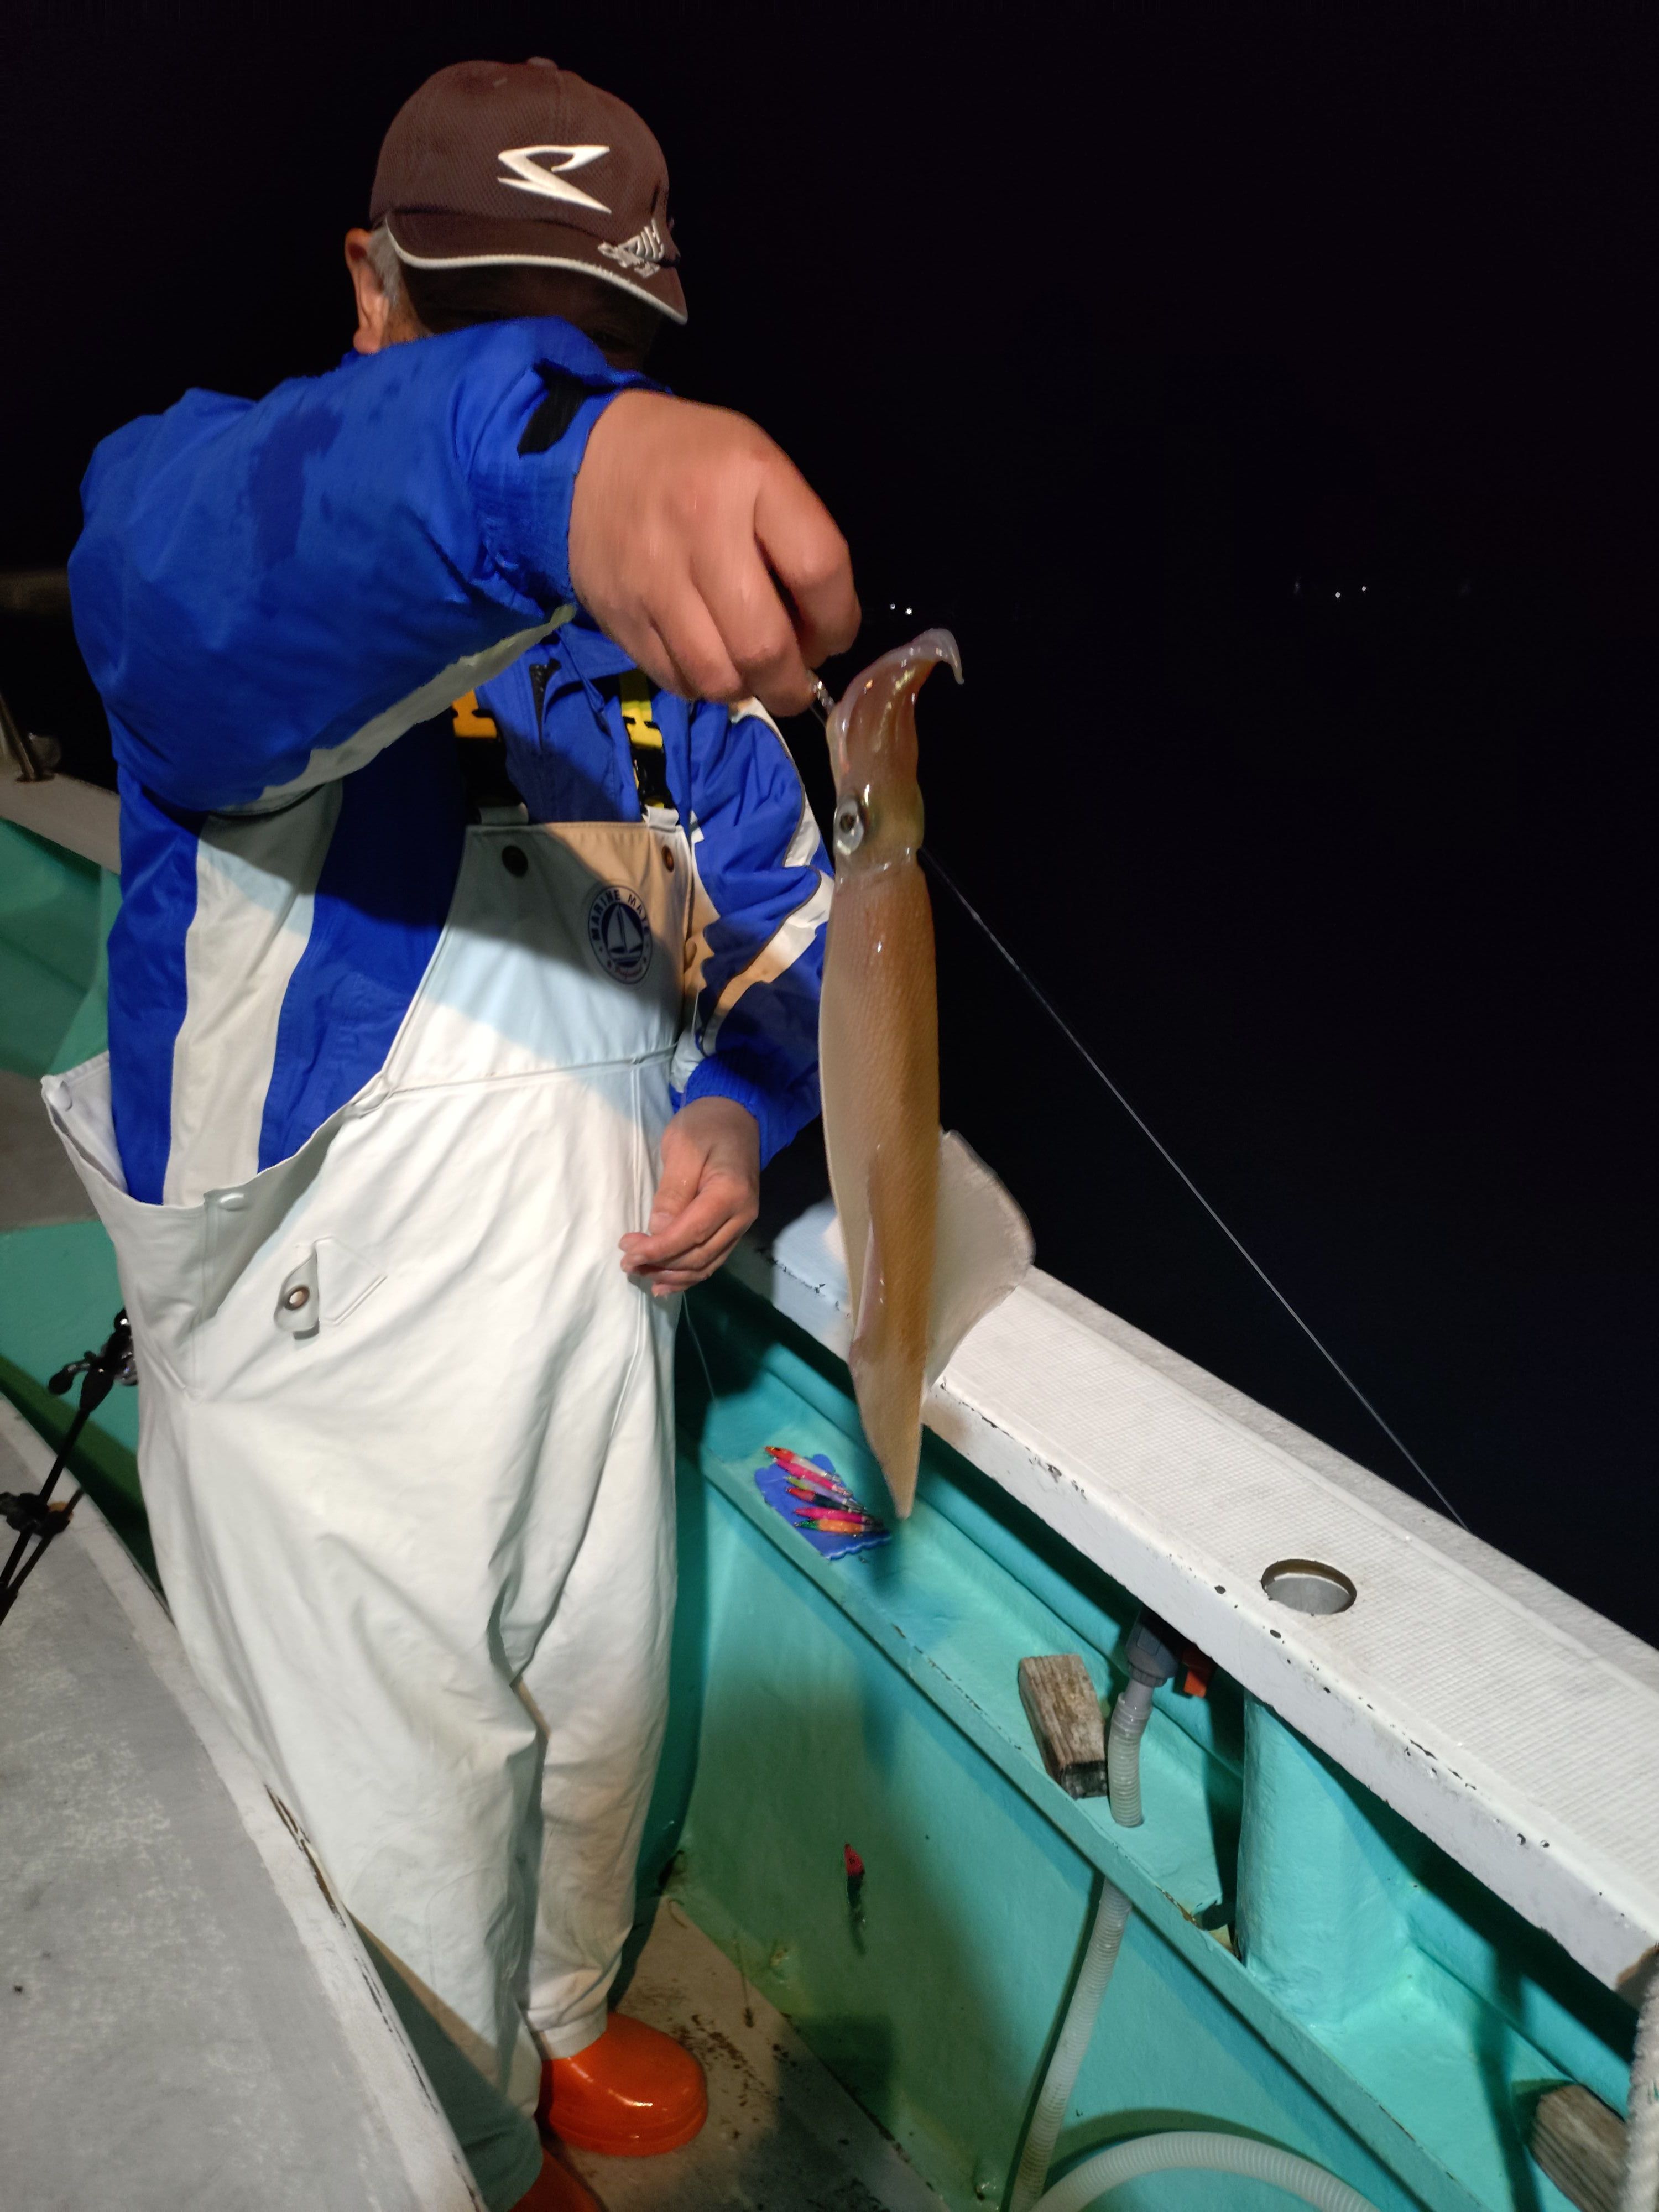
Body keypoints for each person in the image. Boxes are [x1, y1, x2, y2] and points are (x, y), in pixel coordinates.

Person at [54, 58, 857, 2212]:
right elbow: (186, 575)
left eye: (598, 347)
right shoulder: (232, 540)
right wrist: (560, 470)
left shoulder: (667, 682)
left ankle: (564, 2011)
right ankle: (464, 2143)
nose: (556, 375)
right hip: (323, 1392)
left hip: (597, 1323)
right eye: (497, 323)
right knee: (394, 1839)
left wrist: (730, 1107)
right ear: (372, 290)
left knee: (594, 1725)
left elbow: (788, 934)